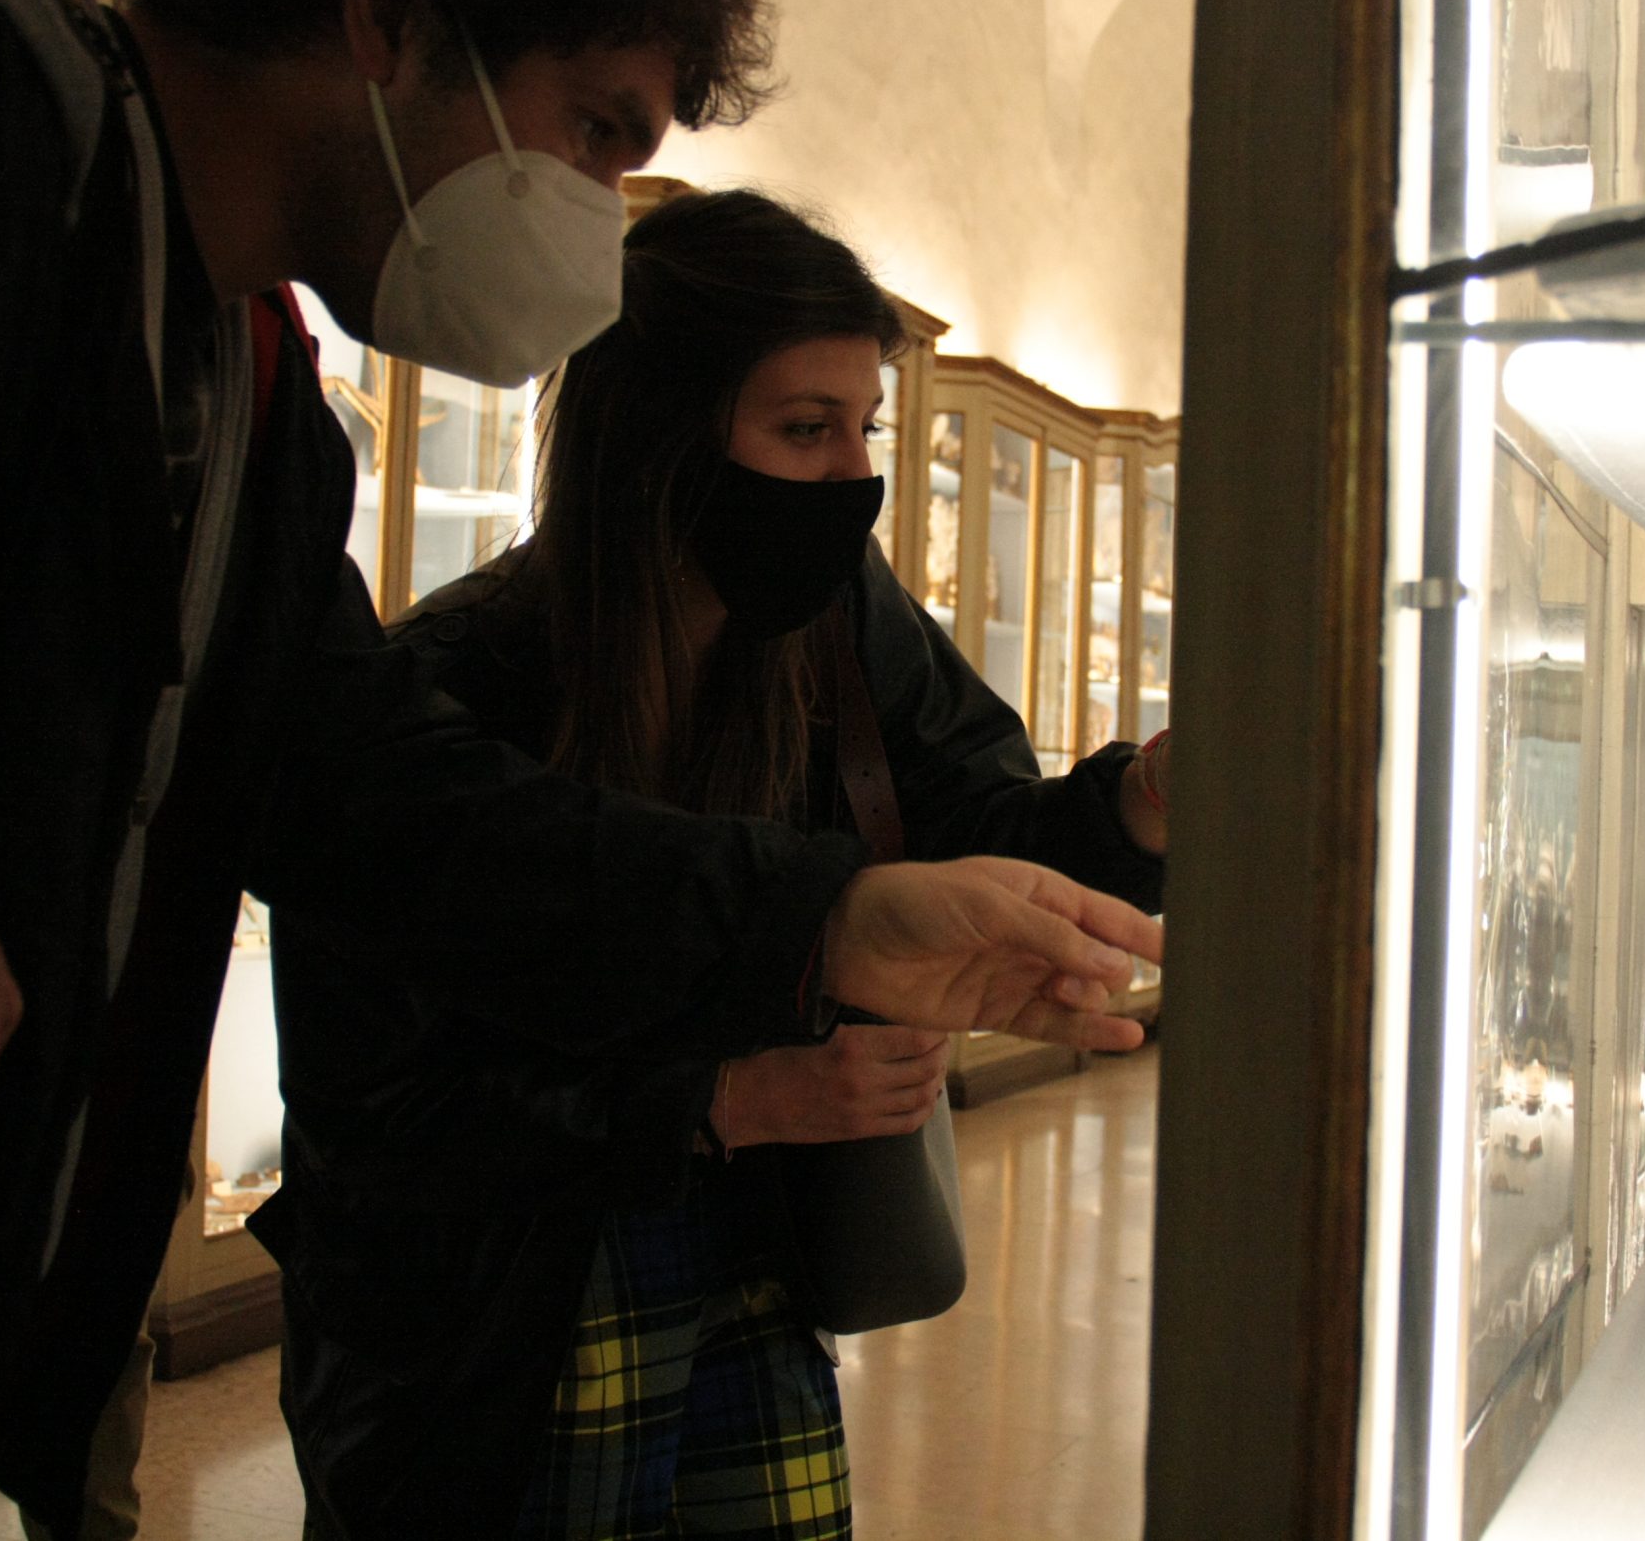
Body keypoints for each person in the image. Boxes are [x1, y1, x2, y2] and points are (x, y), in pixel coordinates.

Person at [0, 0, 1157, 1537]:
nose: (591, 214)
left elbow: (397, 814)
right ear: (392, 18)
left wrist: (824, 922)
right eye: (594, 130)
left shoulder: (251, 402)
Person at [265, 188, 1172, 1538]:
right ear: (659, 438)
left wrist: (1139, 803)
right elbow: (379, 1099)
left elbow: (970, 832)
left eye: (866, 428)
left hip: (760, 1246)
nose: (852, 476)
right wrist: (723, 1099)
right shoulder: (450, 687)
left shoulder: (834, 626)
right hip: (505, 1301)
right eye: (805, 429)